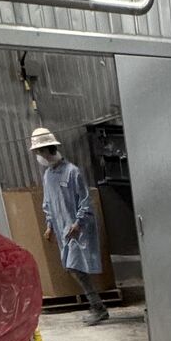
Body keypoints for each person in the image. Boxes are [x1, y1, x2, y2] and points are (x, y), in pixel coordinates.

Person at [31, 126, 108, 326]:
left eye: (40, 151)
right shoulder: (48, 175)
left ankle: (98, 307)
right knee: (71, 266)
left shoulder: (72, 172)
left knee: (75, 266)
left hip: (76, 228)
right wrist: (49, 224)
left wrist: (78, 223)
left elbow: (85, 200)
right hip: (62, 227)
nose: (39, 155)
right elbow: (48, 202)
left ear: (49, 149)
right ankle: (97, 306)